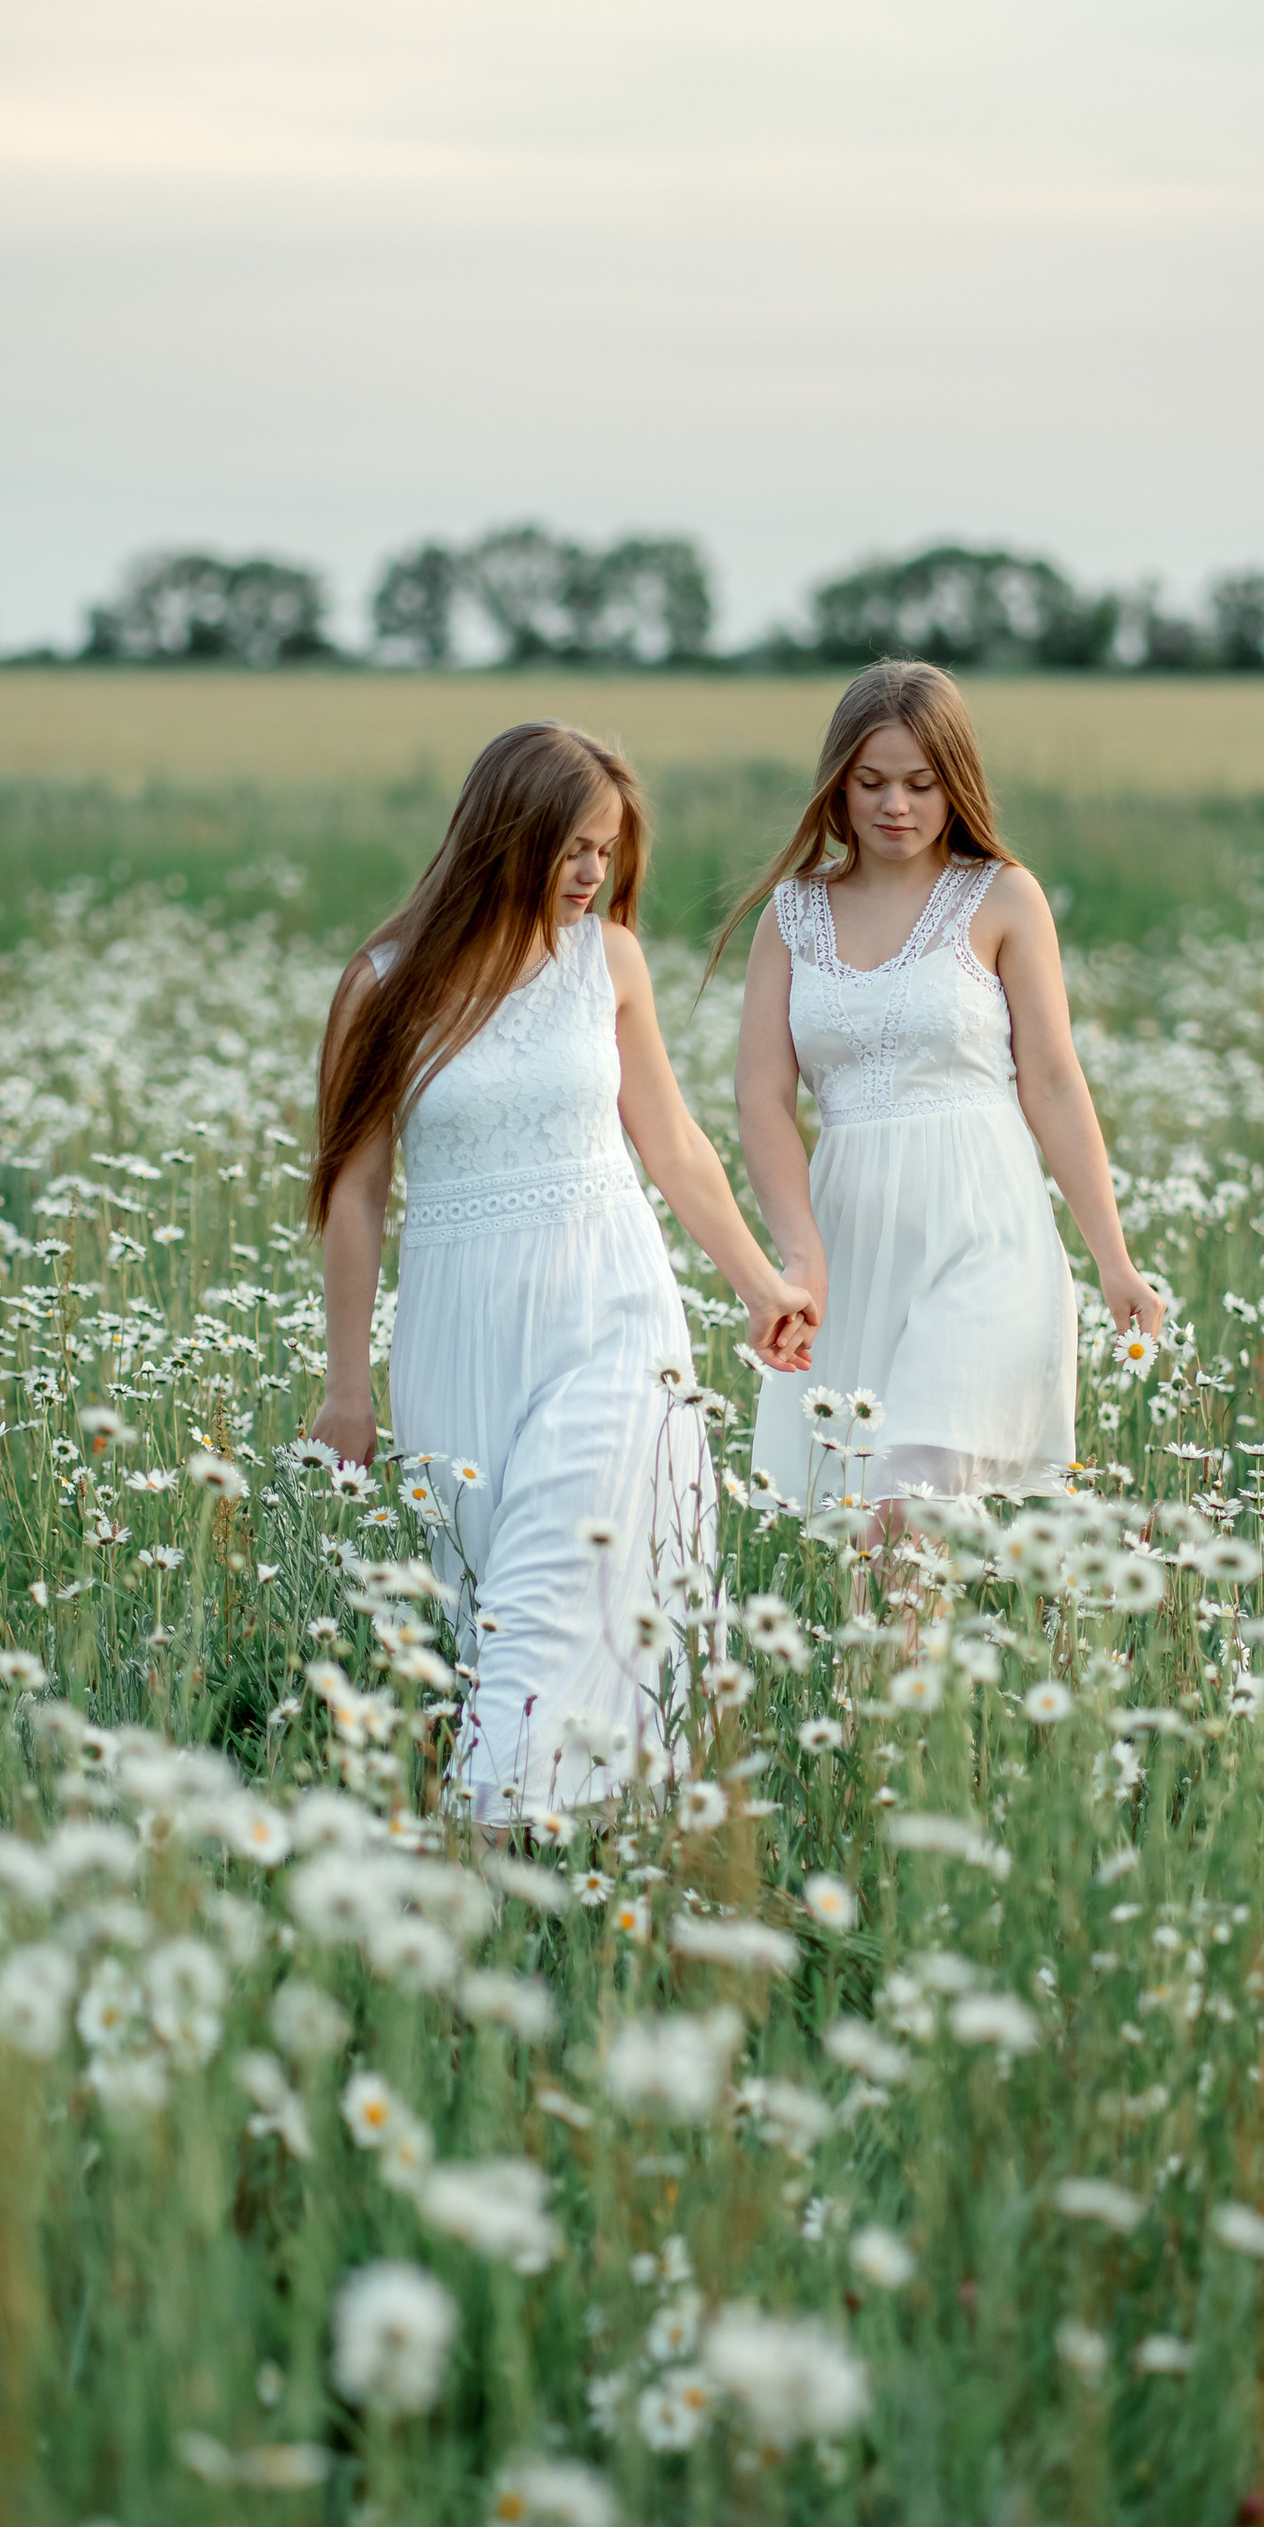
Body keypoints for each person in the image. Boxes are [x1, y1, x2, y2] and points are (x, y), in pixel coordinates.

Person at [308, 719, 815, 1824]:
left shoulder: (609, 963)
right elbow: (352, 1192)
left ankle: (485, 1835)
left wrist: (761, 1285)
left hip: (613, 1313)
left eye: (608, 850)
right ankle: (580, 1867)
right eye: (574, 848)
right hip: (460, 1334)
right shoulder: (381, 984)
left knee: (556, 1581)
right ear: (505, 836)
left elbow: (671, 1144)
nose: (594, 874)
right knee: (494, 1607)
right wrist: (348, 1387)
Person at [726, 658, 1164, 1513]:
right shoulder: (792, 914)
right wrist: (800, 1257)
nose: (898, 805)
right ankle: (900, 1654)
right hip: (851, 1243)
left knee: (907, 1499)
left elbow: (1053, 1084)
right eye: (874, 782)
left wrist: (1113, 1259)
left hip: (984, 1231)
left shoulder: (1002, 898)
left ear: (956, 781)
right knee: (868, 1526)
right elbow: (761, 1096)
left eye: (923, 783)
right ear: (838, 786)